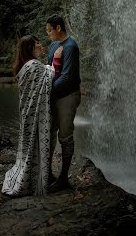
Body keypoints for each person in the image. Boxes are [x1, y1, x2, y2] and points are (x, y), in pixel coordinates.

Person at [1, 35, 63, 197]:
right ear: (30, 48)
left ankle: (37, 171)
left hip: (27, 113)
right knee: (36, 142)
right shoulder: (33, 66)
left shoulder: (25, 65)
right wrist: (55, 61)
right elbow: (50, 77)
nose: (41, 46)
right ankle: (35, 176)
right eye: (37, 44)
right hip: (33, 114)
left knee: (29, 144)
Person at [46, 13, 81, 192]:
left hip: (67, 97)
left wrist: (46, 91)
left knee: (65, 136)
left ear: (58, 28)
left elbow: (67, 77)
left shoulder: (71, 46)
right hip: (53, 97)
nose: (48, 34)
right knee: (49, 133)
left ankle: (63, 178)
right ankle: (48, 174)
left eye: (50, 30)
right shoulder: (53, 45)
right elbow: (48, 70)